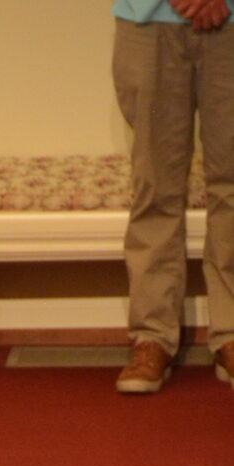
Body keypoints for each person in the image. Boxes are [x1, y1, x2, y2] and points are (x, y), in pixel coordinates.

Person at [112, 0, 234, 394]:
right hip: (147, 19)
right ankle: (152, 336)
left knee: (232, 183)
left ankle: (231, 332)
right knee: (155, 184)